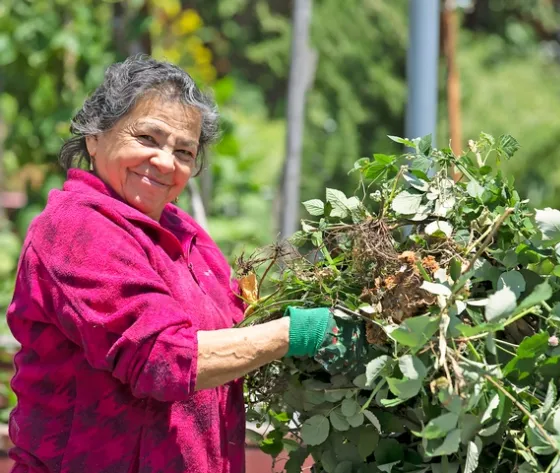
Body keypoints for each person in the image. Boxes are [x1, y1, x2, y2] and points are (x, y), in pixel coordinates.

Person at [6, 56, 365, 473]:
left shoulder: (185, 234)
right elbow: (163, 359)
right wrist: (299, 331)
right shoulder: (76, 227)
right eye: (147, 138)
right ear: (95, 137)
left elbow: (233, 338)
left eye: (183, 151)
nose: (164, 162)